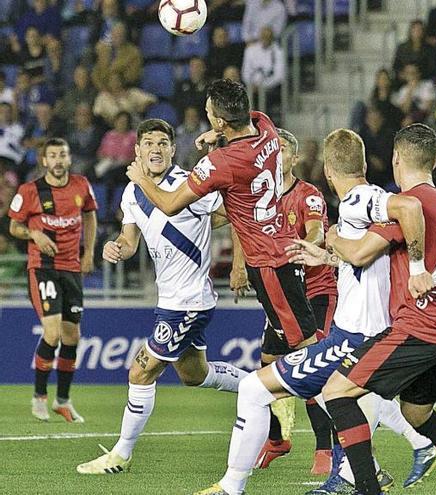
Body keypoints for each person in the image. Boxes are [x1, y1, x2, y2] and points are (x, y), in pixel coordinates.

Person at [192, 128, 434, 495]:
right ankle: (375, 468)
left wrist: (414, 268)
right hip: (370, 332)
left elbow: (410, 206)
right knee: (347, 396)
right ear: (364, 163)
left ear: (327, 170)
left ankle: (231, 486)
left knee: (256, 389)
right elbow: (369, 256)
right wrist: (328, 256)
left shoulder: (356, 200)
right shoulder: (369, 199)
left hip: (354, 336)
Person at [320, 124, 436, 495]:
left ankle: (366, 488)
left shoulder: (410, 204)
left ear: (395, 158)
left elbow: (360, 251)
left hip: (417, 326)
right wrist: (331, 255)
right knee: (417, 414)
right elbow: (372, 255)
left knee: (337, 392)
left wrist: (333, 238)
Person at [75, 119, 247, 474]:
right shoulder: (131, 193)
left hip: (189, 301)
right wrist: (116, 248)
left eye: (163, 142)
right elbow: (130, 239)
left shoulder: (189, 183)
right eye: (149, 143)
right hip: (170, 299)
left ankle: (120, 454)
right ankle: (265, 390)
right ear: (137, 150)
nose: (156, 148)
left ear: (172, 149)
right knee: (194, 375)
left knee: (139, 373)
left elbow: (231, 214)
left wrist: (238, 264)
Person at [124, 79, 319, 361]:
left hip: (269, 262)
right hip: (279, 245)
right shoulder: (266, 128)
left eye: (208, 112)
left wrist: (141, 179)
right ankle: (274, 401)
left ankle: (339, 398)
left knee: (306, 347)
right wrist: (217, 133)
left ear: (219, 120)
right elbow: (246, 120)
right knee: (274, 353)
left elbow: (168, 204)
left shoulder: (220, 164)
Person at [238, 128, 339, 472]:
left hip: (316, 294)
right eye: (271, 150)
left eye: (281, 150)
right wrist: (240, 265)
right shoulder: (258, 197)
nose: (275, 156)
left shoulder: (307, 195)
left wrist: (303, 246)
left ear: (293, 158)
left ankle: (325, 450)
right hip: (280, 295)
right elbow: (240, 226)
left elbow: (316, 231)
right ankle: (278, 439)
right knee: (268, 365)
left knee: (313, 364)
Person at [8, 137, 96, 423]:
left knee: (73, 336)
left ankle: (63, 401)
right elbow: (14, 226)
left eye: (63, 155)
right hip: (42, 268)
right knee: (53, 332)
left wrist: (89, 253)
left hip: (71, 268)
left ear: (69, 159)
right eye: (53, 156)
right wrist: (34, 234)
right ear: (44, 161)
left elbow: (90, 216)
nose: (58, 160)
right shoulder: (30, 191)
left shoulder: (81, 185)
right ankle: (39, 397)